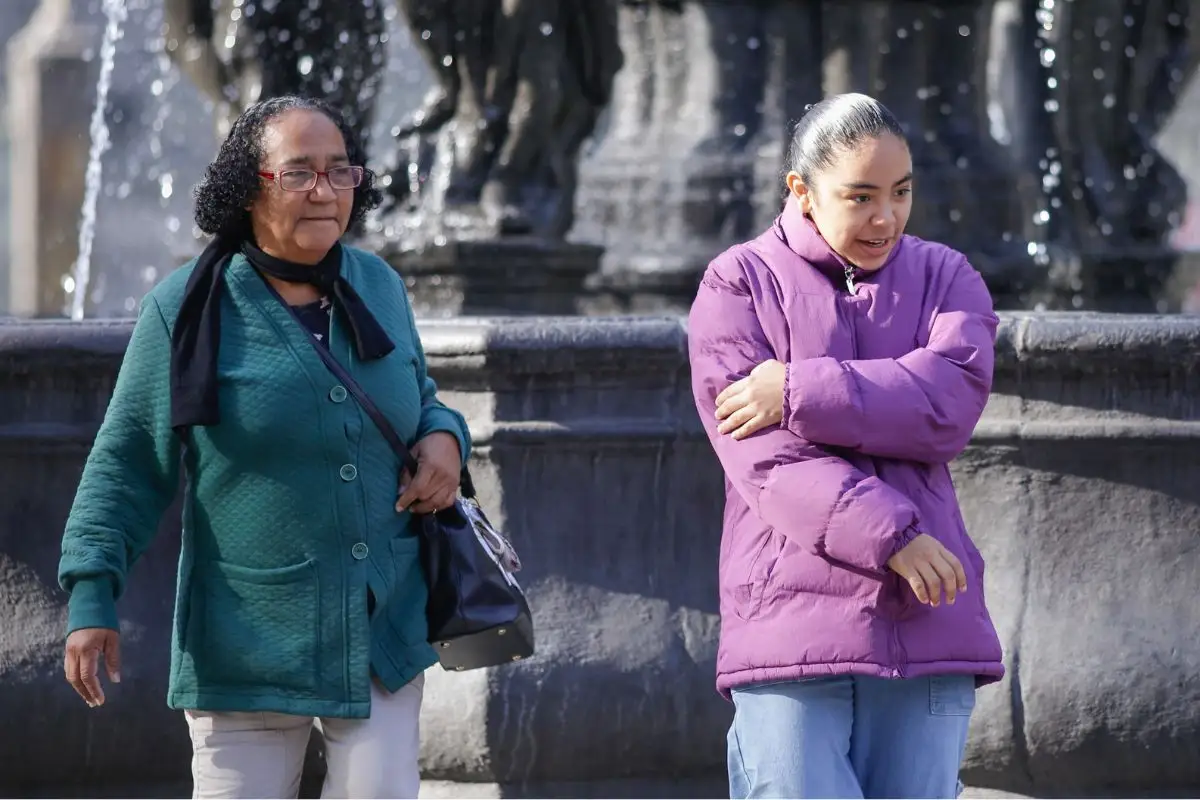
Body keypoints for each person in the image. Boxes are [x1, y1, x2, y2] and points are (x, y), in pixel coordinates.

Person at [57, 95, 471, 799]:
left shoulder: (378, 284)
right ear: (249, 188)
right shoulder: (186, 308)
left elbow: (419, 394)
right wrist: (92, 595)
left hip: (382, 622)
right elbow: (127, 462)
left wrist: (445, 437)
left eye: (340, 172)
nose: (324, 191)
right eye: (299, 172)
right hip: (247, 638)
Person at [687, 93, 1005, 800]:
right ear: (801, 189)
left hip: (930, 621)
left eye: (901, 192)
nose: (885, 217)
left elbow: (945, 405)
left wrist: (798, 389)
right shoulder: (737, 283)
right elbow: (766, 461)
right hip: (790, 633)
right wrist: (893, 535)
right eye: (860, 196)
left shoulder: (947, 277)